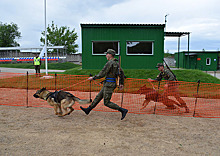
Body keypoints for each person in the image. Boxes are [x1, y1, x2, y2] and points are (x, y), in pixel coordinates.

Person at [80, 49, 128, 120]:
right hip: (108, 84)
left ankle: (123, 110)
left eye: (107, 54)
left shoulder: (110, 63)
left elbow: (102, 73)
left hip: (109, 84)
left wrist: (93, 78)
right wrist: (121, 83)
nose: (106, 55)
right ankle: (88, 109)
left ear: (110, 55)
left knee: (106, 102)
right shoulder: (116, 63)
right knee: (98, 97)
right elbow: (122, 73)